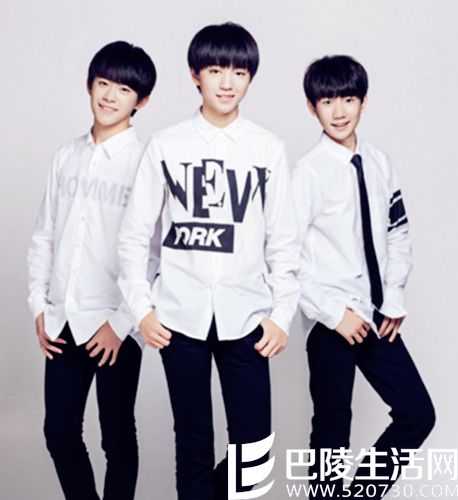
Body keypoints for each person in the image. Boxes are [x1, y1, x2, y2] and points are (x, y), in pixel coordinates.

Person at [118, 22, 299, 500]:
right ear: (195, 74)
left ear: (250, 78)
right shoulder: (166, 145)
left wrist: (281, 315)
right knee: (193, 442)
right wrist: (142, 309)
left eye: (239, 72)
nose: (227, 82)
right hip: (179, 317)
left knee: (253, 454)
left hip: (248, 316)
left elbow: (284, 241)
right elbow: (134, 236)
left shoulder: (267, 149)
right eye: (216, 70)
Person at [293, 54, 435, 499]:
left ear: (364, 101)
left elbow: (398, 231)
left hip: (376, 315)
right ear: (312, 107)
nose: (339, 111)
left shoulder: (379, 162)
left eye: (348, 99)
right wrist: (334, 314)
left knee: (417, 413)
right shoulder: (308, 172)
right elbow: (284, 258)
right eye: (327, 101)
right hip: (331, 320)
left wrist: (392, 297)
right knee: (332, 429)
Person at [27, 40, 156, 500]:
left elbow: (155, 254)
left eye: (124, 89)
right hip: (63, 317)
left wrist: (122, 323)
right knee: (60, 433)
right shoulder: (67, 155)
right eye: (103, 84)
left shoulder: (145, 163)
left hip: (114, 324)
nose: (110, 96)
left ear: (141, 101)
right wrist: (39, 305)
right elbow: (45, 234)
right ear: (89, 86)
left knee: (116, 435)